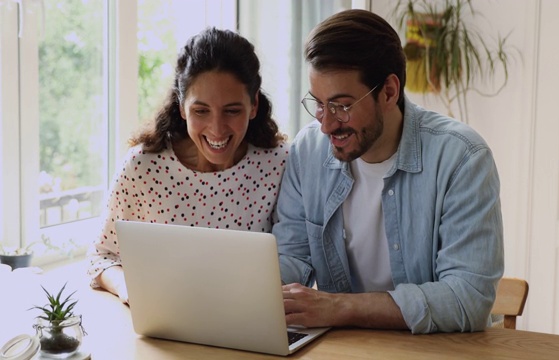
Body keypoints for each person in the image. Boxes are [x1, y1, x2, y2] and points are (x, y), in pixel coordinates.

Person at [274, 9, 504, 334]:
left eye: (341, 105)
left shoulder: (462, 158)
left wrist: (339, 308)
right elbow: (292, 257)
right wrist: (243, 293)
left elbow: (468, 298)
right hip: (341, 351)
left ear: (389, 92)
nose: (325, 124)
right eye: (319, 103)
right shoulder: (307, 151)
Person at [88, 27, 289, 303]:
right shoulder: (143, 168)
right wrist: (129, 290)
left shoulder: (279, 164)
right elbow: (101, 256)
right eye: (201, 111)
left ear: (253, 105)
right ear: (182, 106)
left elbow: (295, 258)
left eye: (232, 110)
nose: (217, 129)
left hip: (247, 330)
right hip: (164, 330)